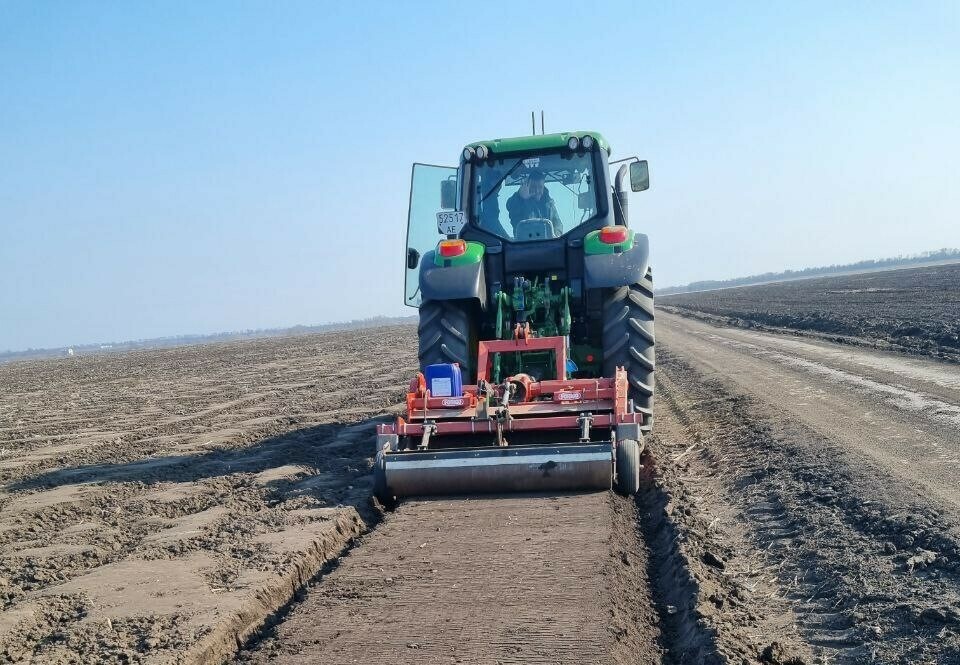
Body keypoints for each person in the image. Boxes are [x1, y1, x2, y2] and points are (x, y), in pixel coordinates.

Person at [506, 169, 563, 236]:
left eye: (540, 187)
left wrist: (556, 235)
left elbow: (558, 223)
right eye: (533, 187)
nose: (537, 191)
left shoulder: (549, 203)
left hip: (550, 241)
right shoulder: (518, 202)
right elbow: (511, 206)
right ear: (527, 187)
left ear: (543, 187)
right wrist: (520, 196)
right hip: (526, 242)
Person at [478, 169, 509, 237]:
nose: (501, 186)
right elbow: (492, 221)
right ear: (493, 182)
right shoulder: (488, 198)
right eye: (500, 182)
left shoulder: (481, 194)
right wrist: (507, 238)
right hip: (485, 235)